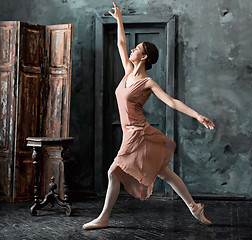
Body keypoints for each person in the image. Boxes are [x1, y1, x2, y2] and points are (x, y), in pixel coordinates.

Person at [83, 2, 216, 230]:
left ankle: (104, 217)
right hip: (130, 133)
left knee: (113, 171)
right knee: (164, 172)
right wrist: (119, 20)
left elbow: (172, 102)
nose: (132, 49)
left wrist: (197, 115)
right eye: (133, 48)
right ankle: (194, 207)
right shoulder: (127, 71)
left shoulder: (147, 83)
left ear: (144, 57)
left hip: (137, 132)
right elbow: (121, 43)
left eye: (137, 49)